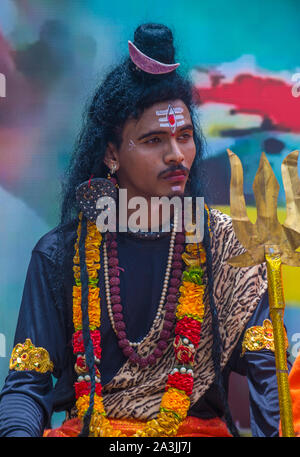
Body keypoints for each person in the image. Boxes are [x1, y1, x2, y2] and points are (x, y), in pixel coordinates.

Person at [0, 23, 290, 438]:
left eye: (185, 136)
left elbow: (271, 380)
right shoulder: (60, 254)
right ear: (112, 154)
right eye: (154, 140)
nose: (176, 155)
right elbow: (27, 387)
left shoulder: (230, 248)